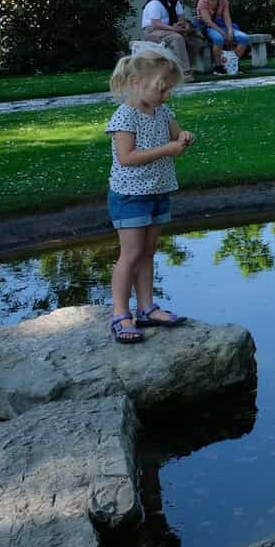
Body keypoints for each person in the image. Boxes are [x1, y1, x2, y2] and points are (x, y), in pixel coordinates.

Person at [105, 44, 195, 344]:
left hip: (158, 189)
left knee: (147, 252)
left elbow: (174, 135)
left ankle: (146, 308)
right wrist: (168, 150)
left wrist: (182, 138)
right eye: (161, 89)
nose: (166, 95)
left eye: (169, 90)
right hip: (130, 195)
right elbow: (126, 157)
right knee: (130, 255)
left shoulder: (162, 110)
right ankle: (120, 313)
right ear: (136, 84)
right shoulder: (124, 117)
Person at [140, 0, 201, 80]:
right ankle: (184, 73)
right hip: (152, 30)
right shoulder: (155, 2)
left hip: (169, 29)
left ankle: (183, 68)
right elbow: (156, 23)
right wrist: (174, 29)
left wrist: (184, 26)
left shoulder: (176, 2)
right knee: (177, 38)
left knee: (196, 40)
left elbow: (181, 19)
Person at [197, 0, 251, 75]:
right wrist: (222, 33)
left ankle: (232, 63)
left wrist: (230, 31)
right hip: (209, 27)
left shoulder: (223, 0)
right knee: (219, 39)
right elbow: (208, 21)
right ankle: (218, 66)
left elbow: (227, 17)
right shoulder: (203, 1)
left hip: (222, 25)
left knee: (244, 38)